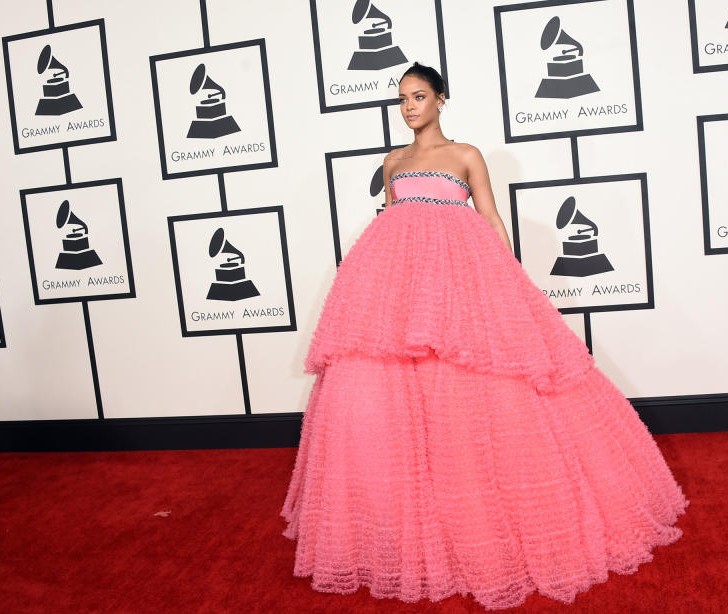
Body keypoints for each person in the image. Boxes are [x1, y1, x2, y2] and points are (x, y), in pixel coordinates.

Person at [280, 62, 687, 611]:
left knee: (474, 385)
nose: (409, 107)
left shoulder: (466, 155)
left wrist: (507, 276)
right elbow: (396, 222)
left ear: (441, 99)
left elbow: (490, 217)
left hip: (461, 277)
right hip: (398, 283)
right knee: (394, 385)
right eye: (402, 99)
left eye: (419, 96)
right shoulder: (392, 162)